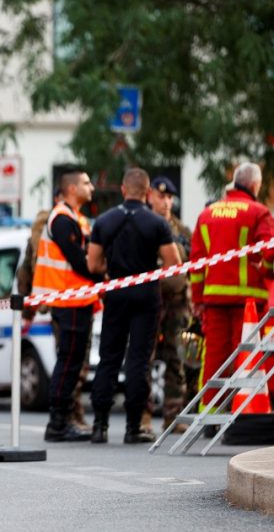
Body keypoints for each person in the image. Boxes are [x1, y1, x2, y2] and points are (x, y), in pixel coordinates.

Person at [87, 168, 180, 444]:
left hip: (116, 292)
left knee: (109, 358)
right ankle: (133, 426)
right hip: (146, 295)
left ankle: (99, 425)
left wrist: (111, 269)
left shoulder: (105, 221)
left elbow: (93, 264)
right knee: (138, 361)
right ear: (148, 192)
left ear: (124, 190)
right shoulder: (157, 224)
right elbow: (174, 264)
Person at [190, 163, 274, 413]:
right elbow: (270, 251)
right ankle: (244, 411)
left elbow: (196, 262)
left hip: (213, 298)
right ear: (255, 185)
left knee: (214, 355)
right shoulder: (258, 212)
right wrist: (266, 270)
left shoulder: (207, 214)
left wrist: (197, 299)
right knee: (247, 357)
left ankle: (210, 412)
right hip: (248, 300)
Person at [31, 171, 100, 442]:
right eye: (86, 182)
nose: (91, 186)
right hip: (68, 300)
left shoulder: (76, 218)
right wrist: (104, 274)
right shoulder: (62, 219)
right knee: (68, 363)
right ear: (71, 188)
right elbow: (80, 261)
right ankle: (58, 423)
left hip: (77, 300)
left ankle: (63, 420)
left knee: (72, 364)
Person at [146, 177, 193, 433]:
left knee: (177, 358)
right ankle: (142, 417)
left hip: (177, 304)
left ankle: (173, 417)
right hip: (149, 302)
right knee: (145, 358)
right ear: (149, 195)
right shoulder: (142, 224)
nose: (165, 202)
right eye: (160, 196)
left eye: (169, 198)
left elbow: (193, 265)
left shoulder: (182, 231)